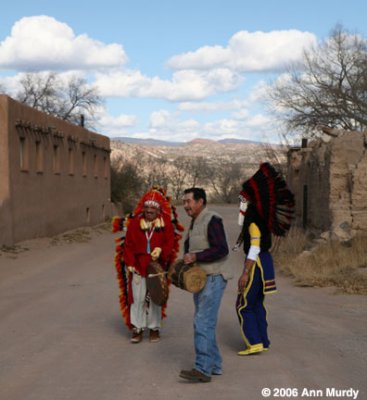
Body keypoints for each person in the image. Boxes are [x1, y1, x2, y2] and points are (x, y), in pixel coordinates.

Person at [235, 162, 294, 355]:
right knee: (257, 303)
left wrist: (245, 272)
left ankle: (254, 342)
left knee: (243, 304)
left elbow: (254, 246)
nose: (241, 202)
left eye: (243, 198)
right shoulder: (262, 218)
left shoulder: (253, 220)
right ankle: (263, 340)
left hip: (257, 262)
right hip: (265, 261)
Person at [112, 187, 183, 343]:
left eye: (153, 208)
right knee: (137, 298)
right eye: (147, 207)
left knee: (156, 298)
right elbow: (128, 245)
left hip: (157, 267)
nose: (149, 210)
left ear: (158, 210)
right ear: (143, 208)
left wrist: (161, 251)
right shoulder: (135, 224)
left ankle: (154, 328)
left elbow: (170, 243)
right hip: (138, 266)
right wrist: (129, 263)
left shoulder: (166, 225)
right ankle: (137, 328)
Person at [179, 187, 232, 383]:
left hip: (214, 278)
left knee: (202, 322)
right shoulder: (195, 221)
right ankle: (215, 365)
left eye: (188, 202)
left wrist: (196, 256)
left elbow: (222, 249)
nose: (185, 206)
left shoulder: (212, 220)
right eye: (184, 202)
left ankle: (202, 369)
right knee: (206, 323)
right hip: (202, 279)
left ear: (200, 201)